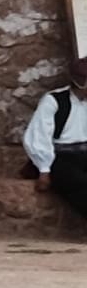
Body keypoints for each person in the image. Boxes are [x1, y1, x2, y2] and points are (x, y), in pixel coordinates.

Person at [29, 65, 87, 224]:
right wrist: (44, 169)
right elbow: (39, 135)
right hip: (57, 156)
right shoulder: (53, 100)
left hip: (83, 154)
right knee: (80, 182)